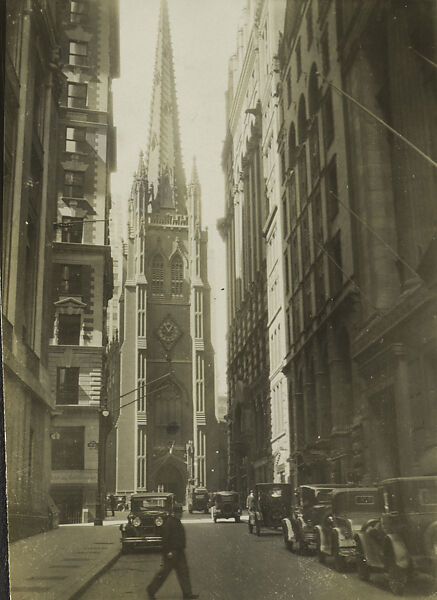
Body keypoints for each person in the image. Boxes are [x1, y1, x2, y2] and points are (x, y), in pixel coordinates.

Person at [147, 509, 199, 600]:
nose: (180, 515)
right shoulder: (169, 523)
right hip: (171, 552)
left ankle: (187, 594)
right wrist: (167, 551)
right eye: (178, 513)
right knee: (164, 573)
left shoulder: (177, 522)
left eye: (181, 513)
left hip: (179, 551)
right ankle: (151, 591)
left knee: (184, 573)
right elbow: (165, 539)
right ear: (174, 513)